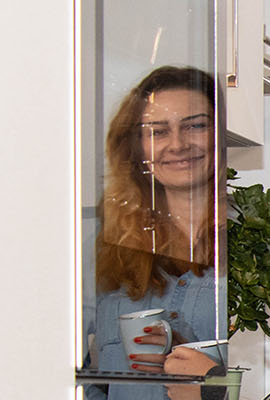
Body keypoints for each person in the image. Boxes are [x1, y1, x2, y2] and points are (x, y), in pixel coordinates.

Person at [89, 65, 223, 400]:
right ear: (135, 147)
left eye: (195, 126)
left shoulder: (254, 241)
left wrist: (217, 388)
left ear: (220, 135)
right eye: (157, 132)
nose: (177, 144)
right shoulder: (105, 242)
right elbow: (73, 373)